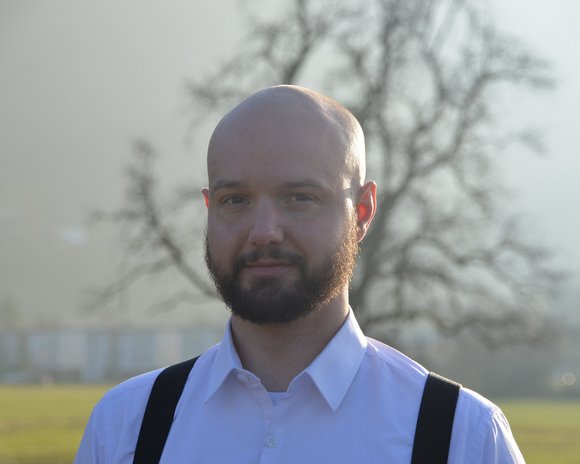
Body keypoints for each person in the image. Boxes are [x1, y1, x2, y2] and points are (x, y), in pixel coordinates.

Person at [75, 85, 525, 463]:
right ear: (209, 209)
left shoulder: (461, 436)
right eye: (236, 200)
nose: (264, 232)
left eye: (299, 198)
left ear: (362, 212)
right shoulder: (126, 427)